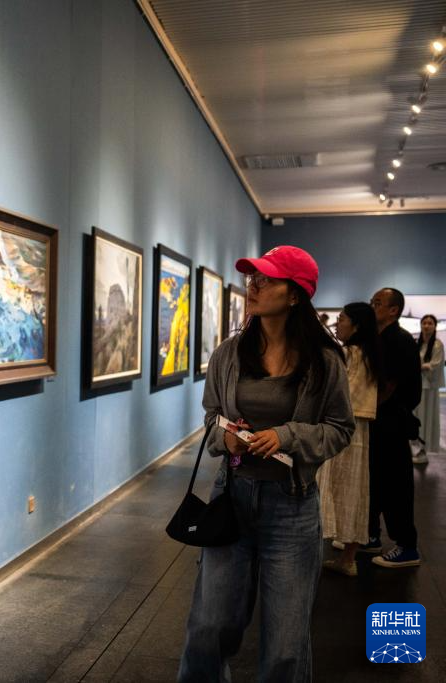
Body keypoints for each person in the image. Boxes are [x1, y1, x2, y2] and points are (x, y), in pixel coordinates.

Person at [178, 246, 354, 682]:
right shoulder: (229, 354)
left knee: (285, 646)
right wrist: (226, 438)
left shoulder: (325, 361)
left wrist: (287, 436)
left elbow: (339, 429)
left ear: (295, 295)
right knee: (209, 628)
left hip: (292, 507)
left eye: (266, 279)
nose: (253, 286)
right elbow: (211, 419)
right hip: (232, 495)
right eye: (251, 278)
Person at [318, 303, 380, 577]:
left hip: (338, 427)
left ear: (356, 326)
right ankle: (348, 558)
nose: (337, 324)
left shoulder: (348, 354)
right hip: (359, 431)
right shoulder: (370, 355)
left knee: (327, 486)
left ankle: (315, 555)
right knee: (354, 490)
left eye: (342, 319)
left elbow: (332, 392)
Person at [368, 288, 423, 568]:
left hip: (392, 422)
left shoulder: (398, 340)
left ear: (393, 310)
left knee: (396, 484)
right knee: (377, 479)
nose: (372, 306)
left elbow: (389, 385)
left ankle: (407, 546)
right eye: (372, 302)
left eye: (378, 303)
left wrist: (366, 407)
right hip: (381, 421)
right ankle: (371, 535)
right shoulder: (381, 338)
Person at [413, 314, 443, 462]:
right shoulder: (416, 344)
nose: (426, 326)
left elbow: (435, 365)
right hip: (416, 386)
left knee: (427, 418)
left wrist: (420, 367)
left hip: (428, 387)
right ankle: (415, 447)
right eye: (424, 323)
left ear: (435, 326)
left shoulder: (437, 345)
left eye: (430, 323)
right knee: (416, 417)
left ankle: (423, 450)